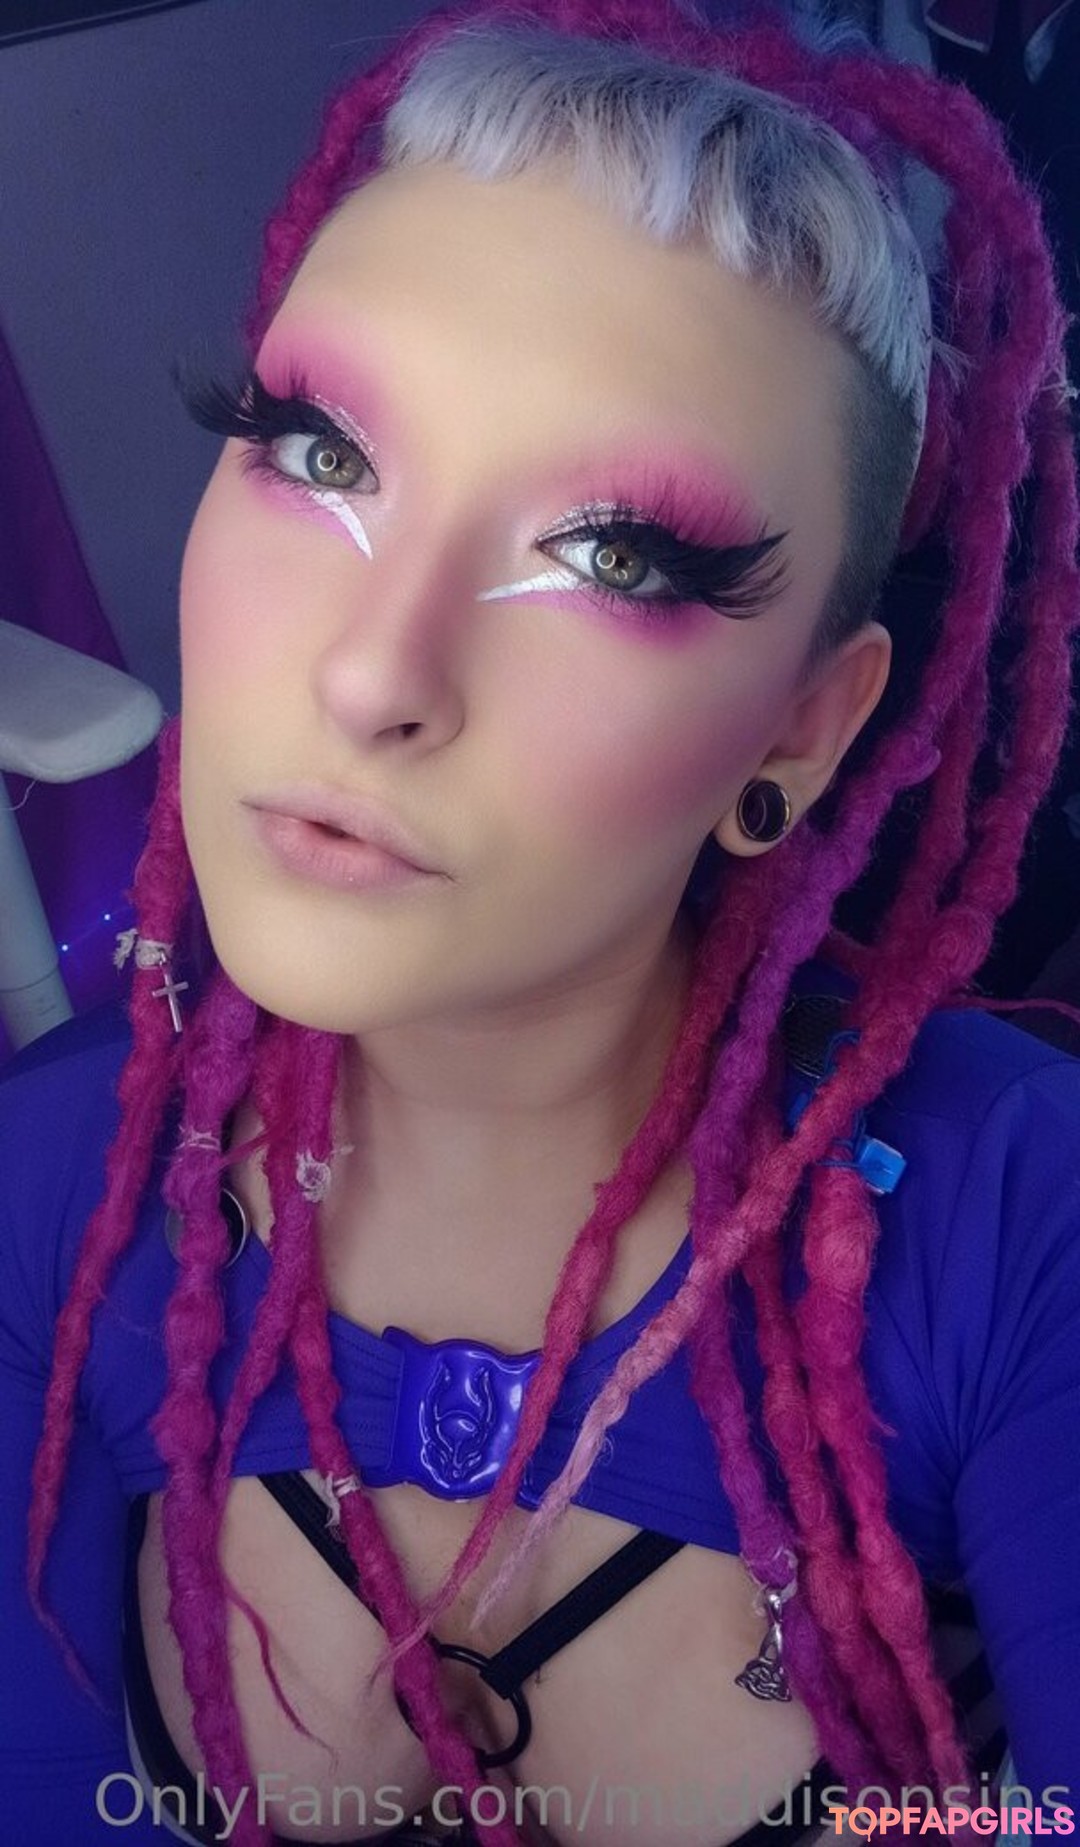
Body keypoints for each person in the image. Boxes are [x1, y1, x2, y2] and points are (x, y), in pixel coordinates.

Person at [2, 1, 1079, 1843]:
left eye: (615, 556)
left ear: (801, 734)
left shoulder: (1010, 1216)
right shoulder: (55, 1183)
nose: (373, 675)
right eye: (317, 452)